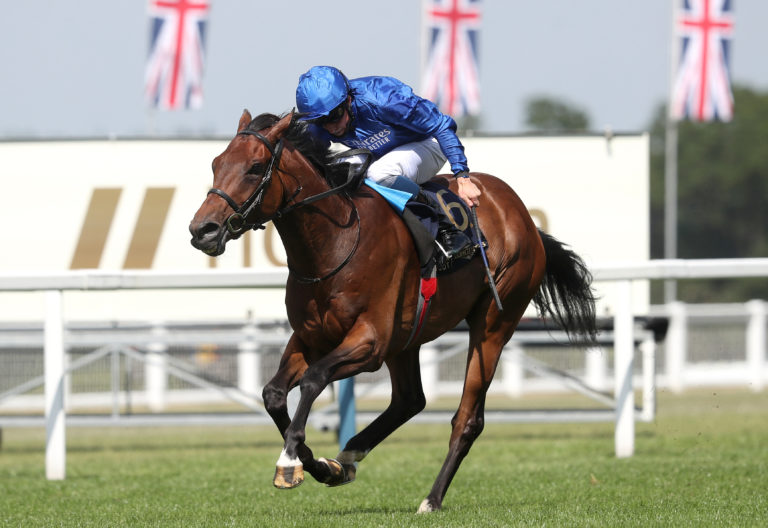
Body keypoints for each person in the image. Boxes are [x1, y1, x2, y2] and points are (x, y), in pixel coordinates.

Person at [295, 65, 482, 262]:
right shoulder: (324, 123)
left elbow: (442, 125)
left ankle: (445, 226)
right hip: (379, 154)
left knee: (378, 173)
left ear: (348, 100)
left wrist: (462, 177)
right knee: (339, 173)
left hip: (427, 142)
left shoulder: (384, 100)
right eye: (320, 121)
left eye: (334, 116)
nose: (330, 127)